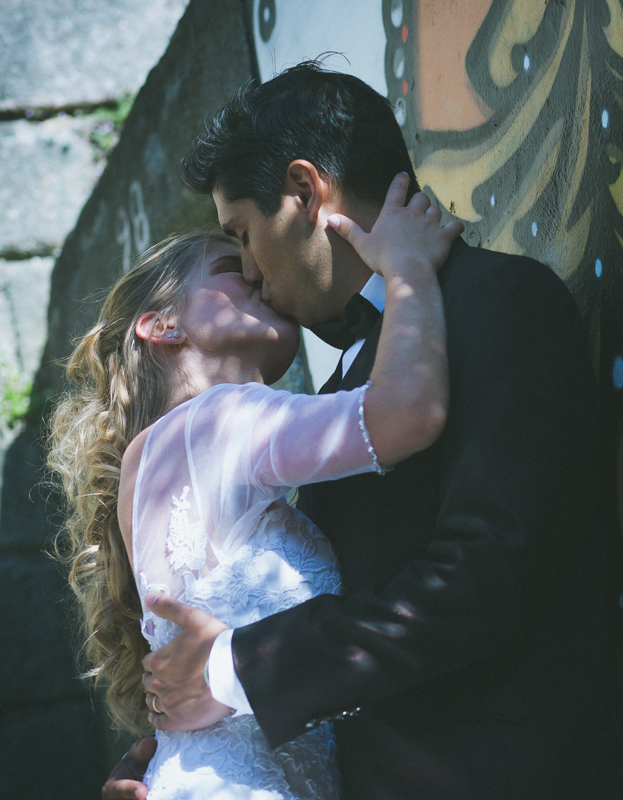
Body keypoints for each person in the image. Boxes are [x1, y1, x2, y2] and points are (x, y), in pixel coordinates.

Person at [105, 62, 623, 800]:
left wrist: (231, 672)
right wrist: (175, 763)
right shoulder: (338, 394)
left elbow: (483, 578)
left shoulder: (500, 304)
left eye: (242, 235)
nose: (252, 274)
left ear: (304, 192)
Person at [50, 171, 462, 799]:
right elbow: (408, 413)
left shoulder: (148, 465)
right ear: (161, 326)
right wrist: (407, 270)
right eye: (228, 266)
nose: (253, 272)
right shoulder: (220, 419)